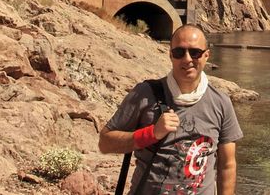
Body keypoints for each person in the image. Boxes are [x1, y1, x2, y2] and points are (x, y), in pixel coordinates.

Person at [100, 24, 242, 195]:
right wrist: (151, 134)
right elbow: (105, 143)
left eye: (195, 52)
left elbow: (227, 166)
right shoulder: (144, 93)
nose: (187, 59)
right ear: (170, 55)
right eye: (179, 52)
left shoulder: (221, 102)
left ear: (206, 56)